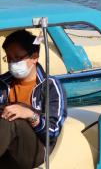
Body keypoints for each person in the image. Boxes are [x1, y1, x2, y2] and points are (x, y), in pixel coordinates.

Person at [0, 29, 67, 168]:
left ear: (34, 57)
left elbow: (53, 132)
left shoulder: (51, 86)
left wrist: (30, 115)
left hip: (37, 150)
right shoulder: (2, 82)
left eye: (17, 58)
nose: (12, 63)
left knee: (13, 120)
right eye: (9, 58)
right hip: (6, 148)